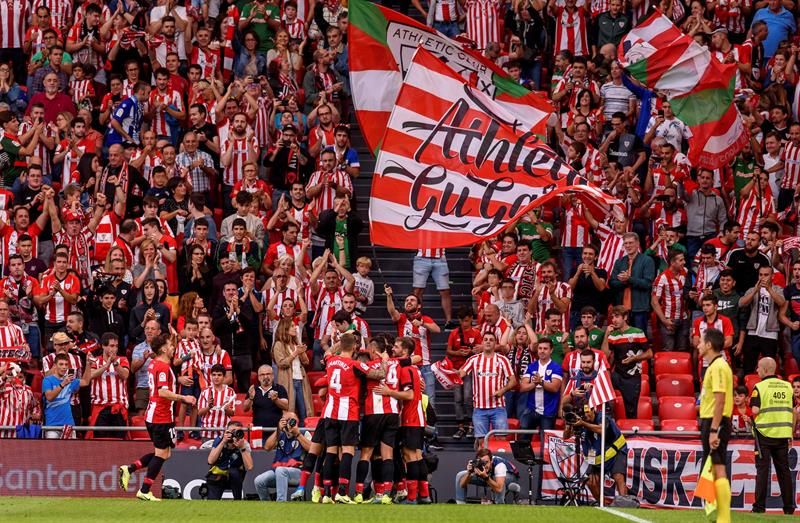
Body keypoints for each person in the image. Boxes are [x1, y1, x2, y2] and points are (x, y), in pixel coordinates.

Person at [119, 334, 197, 501]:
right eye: (170, 345)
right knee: (161, 454)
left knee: (164, 453)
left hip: (158, 414)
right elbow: (162, 392)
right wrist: (184, 398)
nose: (173, 348)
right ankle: (144, 490)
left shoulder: (156, 363)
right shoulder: (161, 367)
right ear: (163, 349)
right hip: (160, 416)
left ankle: (130, 469)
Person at [750, 357, 795, 515]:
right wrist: (790, 431)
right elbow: (792, 410)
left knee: (763, 471)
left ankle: (759, 508)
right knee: (784, 472)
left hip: (764, 434)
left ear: (765, 369)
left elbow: (755, 410)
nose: (757, 370)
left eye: (758, 368)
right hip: (782, 435)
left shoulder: (759, 387)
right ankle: (789, 508)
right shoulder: (787, 386)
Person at [697, 327, 733, 523]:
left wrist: (713, 429)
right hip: (713, 419)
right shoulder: (716, 365)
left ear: (709, 345)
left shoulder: (718, 366)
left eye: (701, 342)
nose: (698, 345)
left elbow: (720, 400)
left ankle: (724, 517)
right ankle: (719, 514)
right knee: (716, 465)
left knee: (718, 466)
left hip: (715, 421)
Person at [459, 331, 516, 449]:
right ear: (482, 343)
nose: (488, 342)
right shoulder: (473, 359)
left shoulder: (502, 360)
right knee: (482, 443)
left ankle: (498, 461)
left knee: (501, 441)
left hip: (498, 408)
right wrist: (447, 372)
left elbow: (513, 381)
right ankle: (482, 461)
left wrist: (503, 390)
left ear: (495, 343)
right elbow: (460, 374)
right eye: (486, 339)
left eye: (491, 340)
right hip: (479, 409)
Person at [563, 405, 628, 505]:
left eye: (588, 411)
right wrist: (569, 424)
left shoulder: (602, 417)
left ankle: (625, 505)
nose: (586, 415)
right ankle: (604, 506)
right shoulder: (580, 421)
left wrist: (583, 423)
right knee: (591, 482)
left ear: (593, 410)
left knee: (618, 476)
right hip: (597, 458)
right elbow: (565, 436)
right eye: (584, 413)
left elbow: (602, 430)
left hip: (616, 452)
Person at [254, 411, 311, 501]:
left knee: (280, 470)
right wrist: (278, 430)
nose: (289, 423)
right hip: (278, 471)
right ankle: (266, 505)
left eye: (291, 420)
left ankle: (281, 502)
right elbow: (267, 448)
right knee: (259, 480)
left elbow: (312, 449)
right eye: (285, 420)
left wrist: (298, 434)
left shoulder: (304, 433)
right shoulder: (280, 434)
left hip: (297, 472)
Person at [519, 337, 562, 439]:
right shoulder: (531, 366)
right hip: (531, 409)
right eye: (540, 348)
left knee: (545, 442)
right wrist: (535, 384)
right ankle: (523, 450)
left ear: (551, 350)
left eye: (545, 349)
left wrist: (541, 382)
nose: (542, 351)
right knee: (523, 440)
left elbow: (555, 388)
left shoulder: (556, 367)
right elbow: (522, 387)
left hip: (548, 411)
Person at [42, 352, 92, 438]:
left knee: (71, 447)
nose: (64, 367)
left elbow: (86, 382)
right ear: (55, 366)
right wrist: (63, 384)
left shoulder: (69, 380)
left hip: (68, 425)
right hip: (52, 425)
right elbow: (49, 397)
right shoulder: (47, 380)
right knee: (51, 447)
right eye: (61, 364)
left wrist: (88, 365)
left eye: (66, 364)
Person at [205, 420, 255, 500]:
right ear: (226, 431)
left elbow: (249, 467)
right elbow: (210, 461)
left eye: (237, 431)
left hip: (235, 477)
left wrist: (242, 448)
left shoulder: (244, 444)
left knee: (233, 472)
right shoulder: (219, 440)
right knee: (212, 500)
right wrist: (223, 442)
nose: (234, 434)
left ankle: (237, 500)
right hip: (218, 476)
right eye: (232, 431)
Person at [243, 364, 289, 429]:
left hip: (276, 430)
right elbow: (245, 409)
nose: (265, 377)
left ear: (273, 376)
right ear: (258, 377)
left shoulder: (279, 388)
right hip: (258, 429)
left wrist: (276, 400)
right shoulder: (253, 389)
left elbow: (286, 406)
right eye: (262, 374)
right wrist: (250, 398)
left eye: (268, 374)